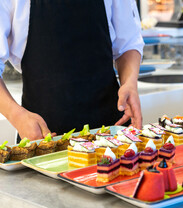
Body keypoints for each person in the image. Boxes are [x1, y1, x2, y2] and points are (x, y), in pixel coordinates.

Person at [0, 0, 144, 141]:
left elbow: (128, 43)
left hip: (112, 135)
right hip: (45, 140)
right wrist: (16, 115)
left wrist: (129, 83)